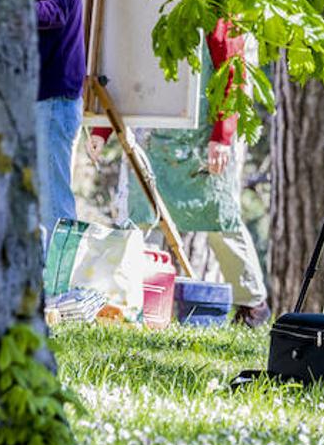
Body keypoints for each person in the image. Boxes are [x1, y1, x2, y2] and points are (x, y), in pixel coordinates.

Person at [89, 18, 270, 327]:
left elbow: (233, 74)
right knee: (141, 213)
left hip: (202, 138)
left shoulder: (214, 7)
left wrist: (223, 136)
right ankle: (136, 301)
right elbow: (125, 74)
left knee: (219, 218)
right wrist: (102, 130)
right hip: (151, 134)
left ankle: (251, 304)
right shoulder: (141, 7)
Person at [32, 0, 85, 244]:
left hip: (52, 98)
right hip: (36, 98)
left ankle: (60, 287)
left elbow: (56, 10)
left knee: (54, 205)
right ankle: (42, 287)